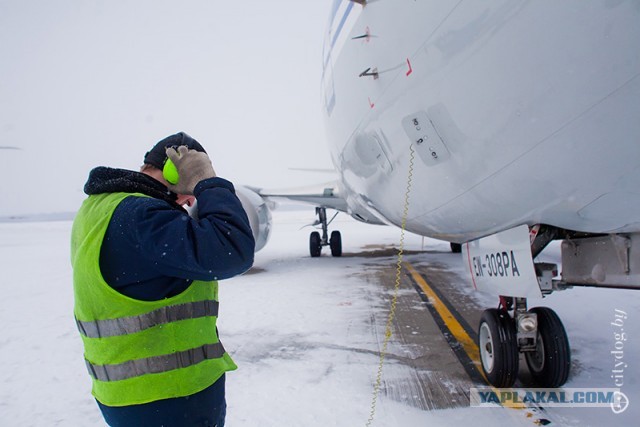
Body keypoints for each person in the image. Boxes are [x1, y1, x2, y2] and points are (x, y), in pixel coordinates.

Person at [70, 132, 255, 427]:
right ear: (174, 169)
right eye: (188, 185)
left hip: (130, 396)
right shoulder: (141, 215)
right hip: (170, 398)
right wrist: (208, 182)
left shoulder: (101, 208)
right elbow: (232, 251)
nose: (189, 198)